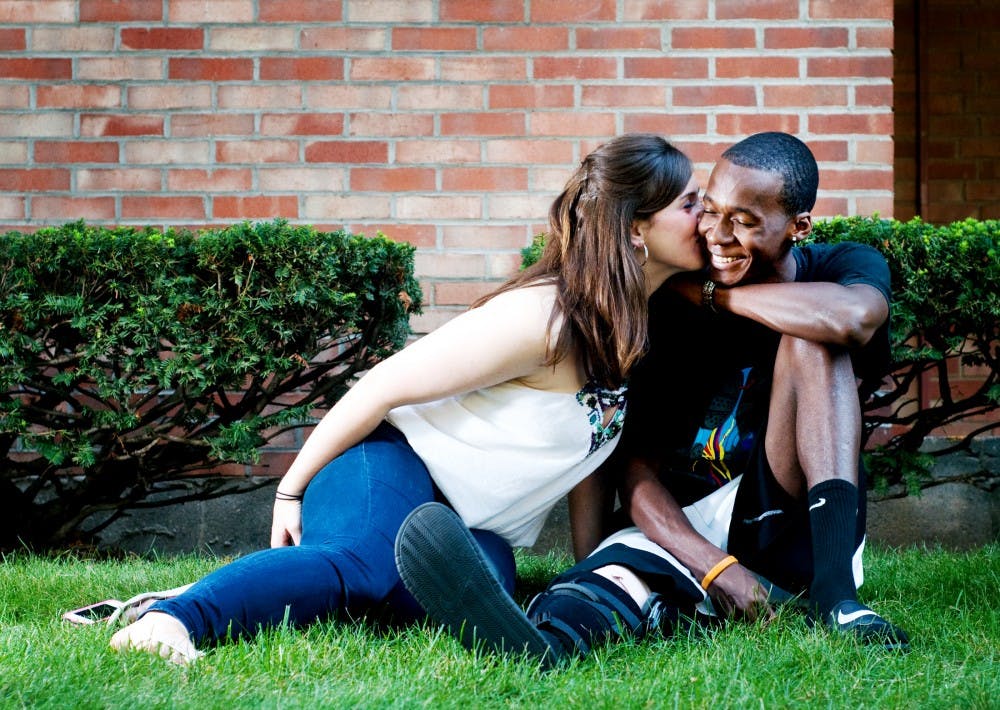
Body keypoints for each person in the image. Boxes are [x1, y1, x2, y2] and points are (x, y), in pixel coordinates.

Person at [109, 133, 706, 664]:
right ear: (635, 227)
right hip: (394, 466)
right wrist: (289, 489)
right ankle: (172, 619)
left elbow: (589, 461)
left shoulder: (630, 325)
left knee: (453, 598)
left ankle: (250, 588)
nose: (707, 215)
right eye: (689, 202)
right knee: (360, 567)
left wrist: (587, 565)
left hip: (467, 530)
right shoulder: (545, 318)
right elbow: (382, 384)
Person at [396, 132, 910, 667]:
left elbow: (849, 321)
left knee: (811, 338)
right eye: (711, 211)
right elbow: (635, 469)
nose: (719, 235)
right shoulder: (670, 304)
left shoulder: (842, 266)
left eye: (746, 221)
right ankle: (540, 644)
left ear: (799, 226)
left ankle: (839, 602)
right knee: (614, 576)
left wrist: (721, 297)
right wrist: (716, 568)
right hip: (688, 523)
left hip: (785, 513)